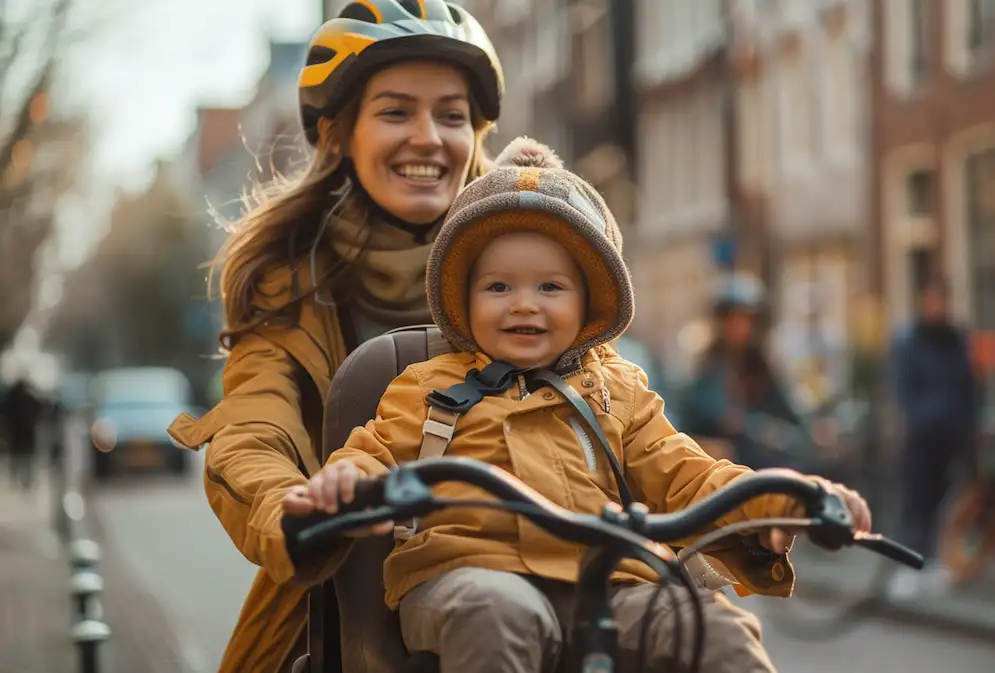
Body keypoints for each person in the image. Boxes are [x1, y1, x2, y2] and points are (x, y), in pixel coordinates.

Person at [292, 137, 872, 673]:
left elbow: (689, 474)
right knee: (497, 615)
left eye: (550, 287)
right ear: (462, 296)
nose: (524, 305)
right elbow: (372, 453)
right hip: (469, 572)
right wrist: (340, 482)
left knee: (715, 629)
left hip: (611, 581)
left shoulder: (618, 390)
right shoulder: (427, 386)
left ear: (588, 300)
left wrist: (781, 499)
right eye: (498, 287)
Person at [165, 2, 504, 672]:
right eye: (396, 111)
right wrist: (286, 502)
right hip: (348, 612)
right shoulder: (292, 282)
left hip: (533, 586)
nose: (429, 137)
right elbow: (253, 423)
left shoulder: (536, 262)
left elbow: (613, 407)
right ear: (336, 133)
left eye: (452, 114)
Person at [886, 276, 980, 599]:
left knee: (944, 500)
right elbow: (904, 389)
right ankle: (908, 565)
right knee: (916, 502)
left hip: (950, 435)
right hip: (921, 437)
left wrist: (966, 424)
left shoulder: (956, 341)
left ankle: (937, 562)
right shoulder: (910, 342)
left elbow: (968, 386)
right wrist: (923, 417)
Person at [678, 274, 829, 471]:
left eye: (747, 320)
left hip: (762, 458)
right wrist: (759, 428)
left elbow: (786, 405)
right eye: (734, 320)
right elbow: (718, 413)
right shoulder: (707, 364)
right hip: (720, 462)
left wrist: (811, 428)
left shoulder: (760, 363)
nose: (741, 328)